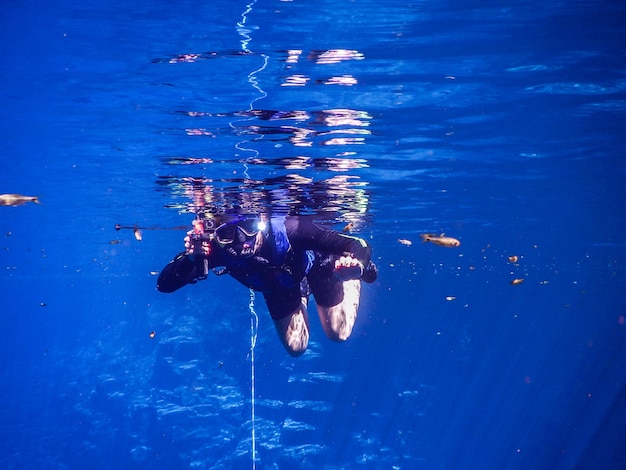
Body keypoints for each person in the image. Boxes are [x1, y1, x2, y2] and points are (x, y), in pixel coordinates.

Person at [157, 214, 377, 356]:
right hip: (281, 284)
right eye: (227, 234)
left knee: (338, 333)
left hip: (321, 267)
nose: (242, 241)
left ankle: (350, 281)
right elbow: (165, 284)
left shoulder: (290, 229)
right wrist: (191, 260)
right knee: (296, 347)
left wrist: (355, 264)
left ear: (262, 220)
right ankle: (301, 291)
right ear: (216, 235)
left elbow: (357, 244)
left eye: (249, 226)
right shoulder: (216, 251)